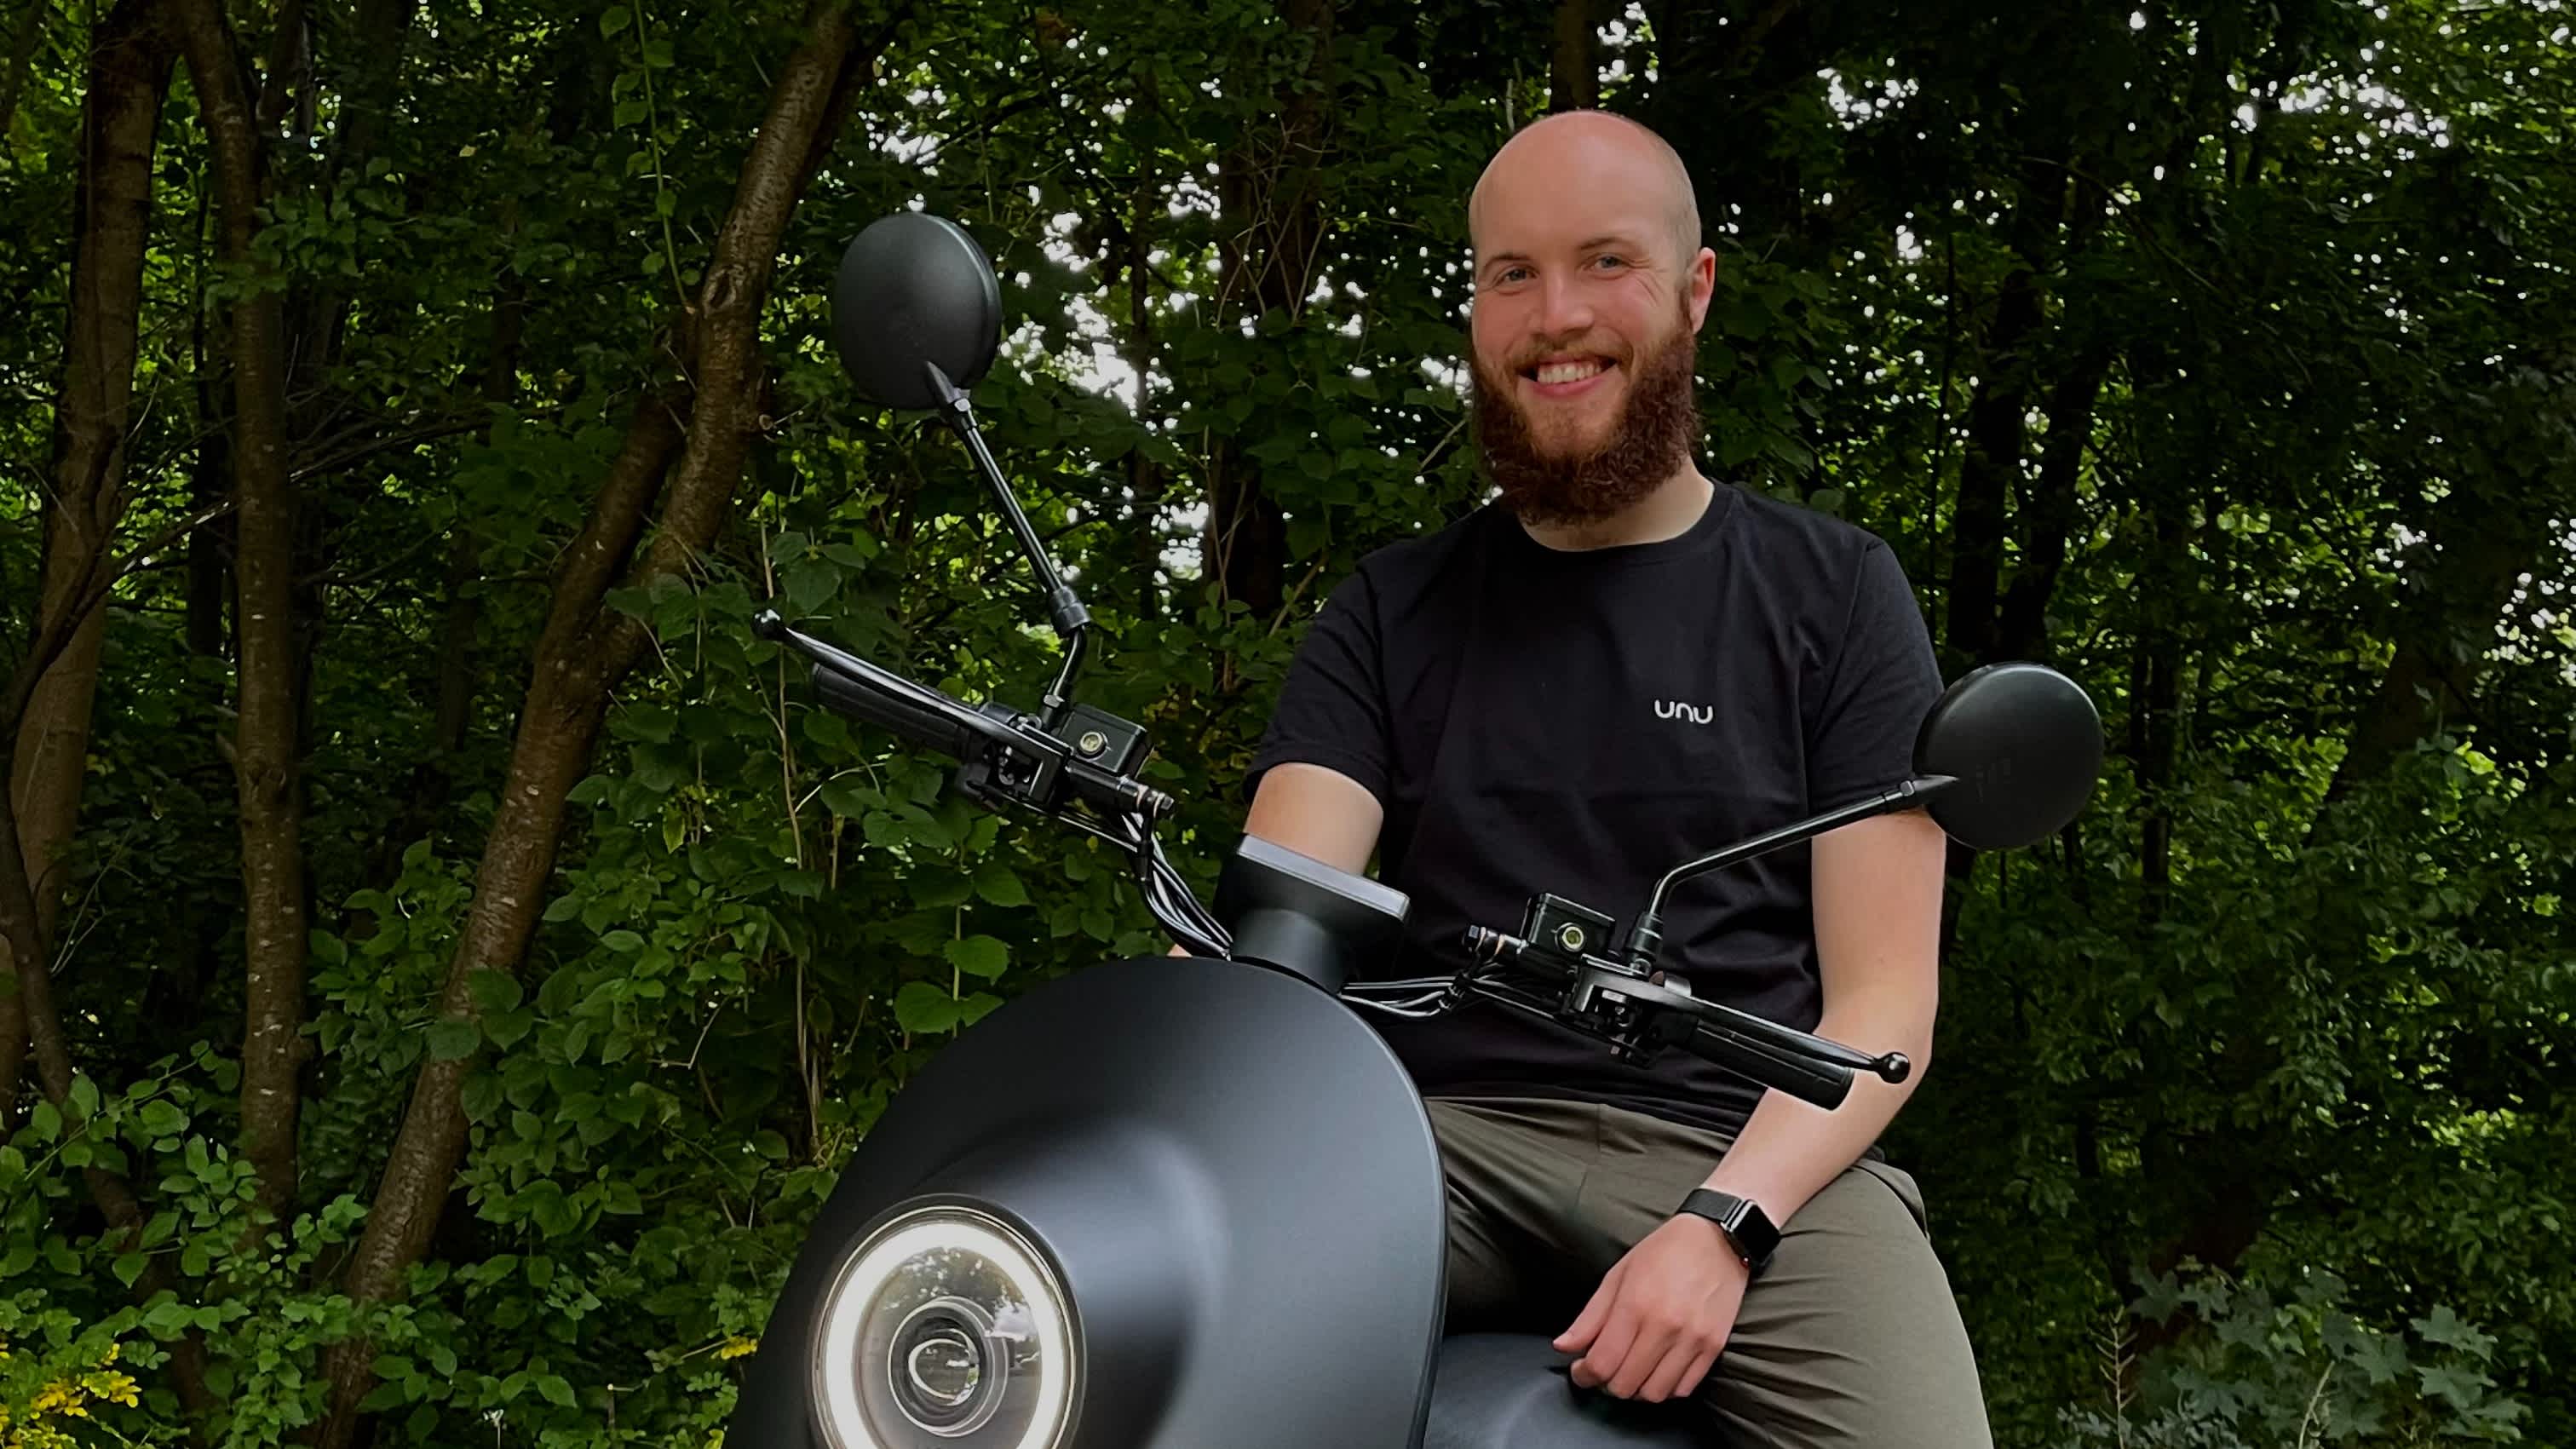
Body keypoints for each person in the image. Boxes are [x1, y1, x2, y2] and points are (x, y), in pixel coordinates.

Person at [1229, 111, 1993, 1445]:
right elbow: (1285, 926)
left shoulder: (1837, 594)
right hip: (1428, 1142)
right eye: (1510, 273)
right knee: (1141, 1320)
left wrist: (1725, 1223)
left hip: (1749, 1153)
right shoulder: (1392, 610)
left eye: (1605, 263)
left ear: (1694, 292)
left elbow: (1884, 1009)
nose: (1555, 314)